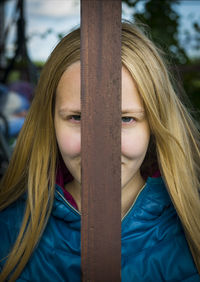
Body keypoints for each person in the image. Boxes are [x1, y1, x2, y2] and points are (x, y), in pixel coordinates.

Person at [0, 21, 200, 281]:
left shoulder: (191, 228)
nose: (100, 147)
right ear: (51, 123)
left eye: (125, 119)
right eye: (77, 117)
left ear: (153, 124)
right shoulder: (9, 232)